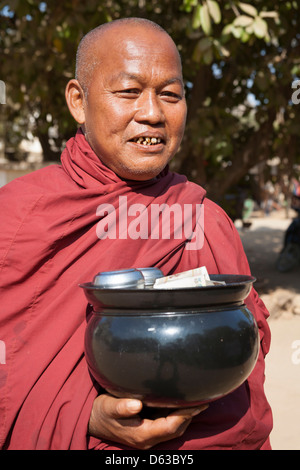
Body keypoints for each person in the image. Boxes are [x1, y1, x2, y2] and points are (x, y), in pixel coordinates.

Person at [0, 18, 272, 450]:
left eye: (171, 94)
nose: (152, 113)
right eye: (128, 92)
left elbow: (247, 355)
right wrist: (83, 416)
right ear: (78, 101)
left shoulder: (205, 218)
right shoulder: (17, 218)